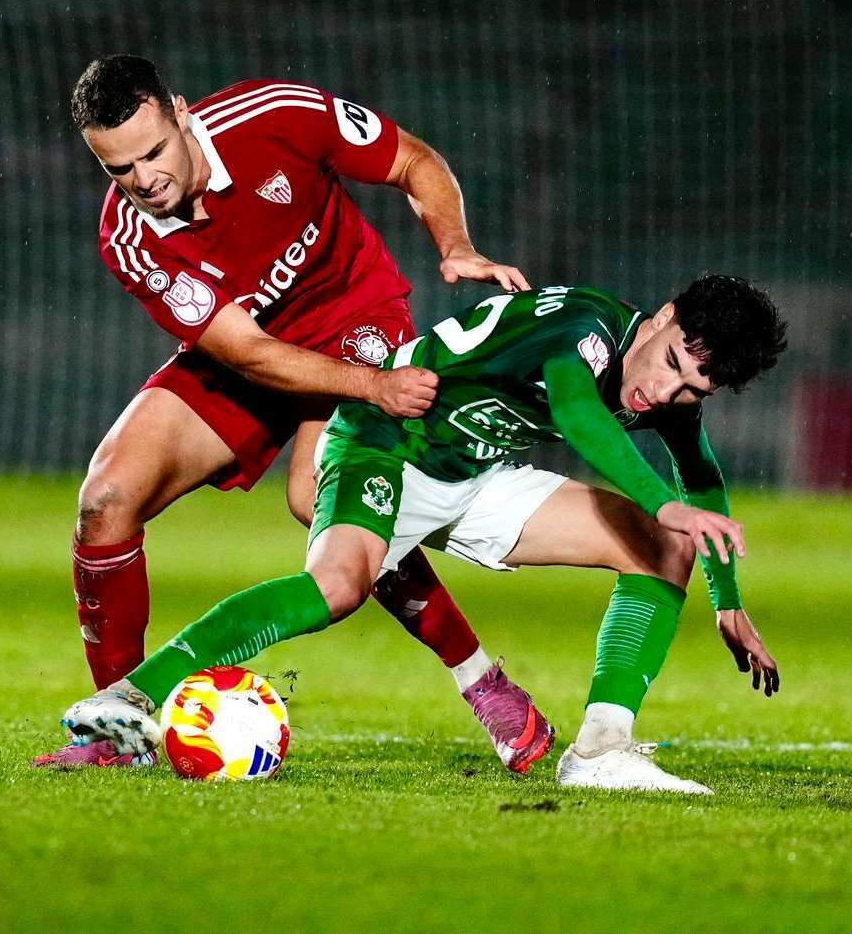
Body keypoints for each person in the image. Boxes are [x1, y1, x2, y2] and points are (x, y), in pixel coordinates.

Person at [49, 275, 787, 794]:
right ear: (659, 318)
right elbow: (579, 414)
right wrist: (664, 504)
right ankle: (133, 697)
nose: (664, 393)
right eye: (669, 368)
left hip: (475, 470)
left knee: (667, 553)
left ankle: (600, 748)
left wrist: (726, 599)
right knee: (336, 589)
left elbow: (703, 472)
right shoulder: (585, 330)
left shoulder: (667, 380)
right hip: (386, 443)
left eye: (692, 390)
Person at [36, 55, 553, 772]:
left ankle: (483, 682)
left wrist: (455, 245)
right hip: (249, 350)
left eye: (153, 152)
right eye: (118, 169)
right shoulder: (131, 236)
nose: (144, 180)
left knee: (320, 501)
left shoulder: (275, 116)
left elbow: (412, 160)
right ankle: (116, 732)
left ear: (181, 112)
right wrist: (371, 391)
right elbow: (246, 352)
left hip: (355, 320)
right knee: (106, 498)